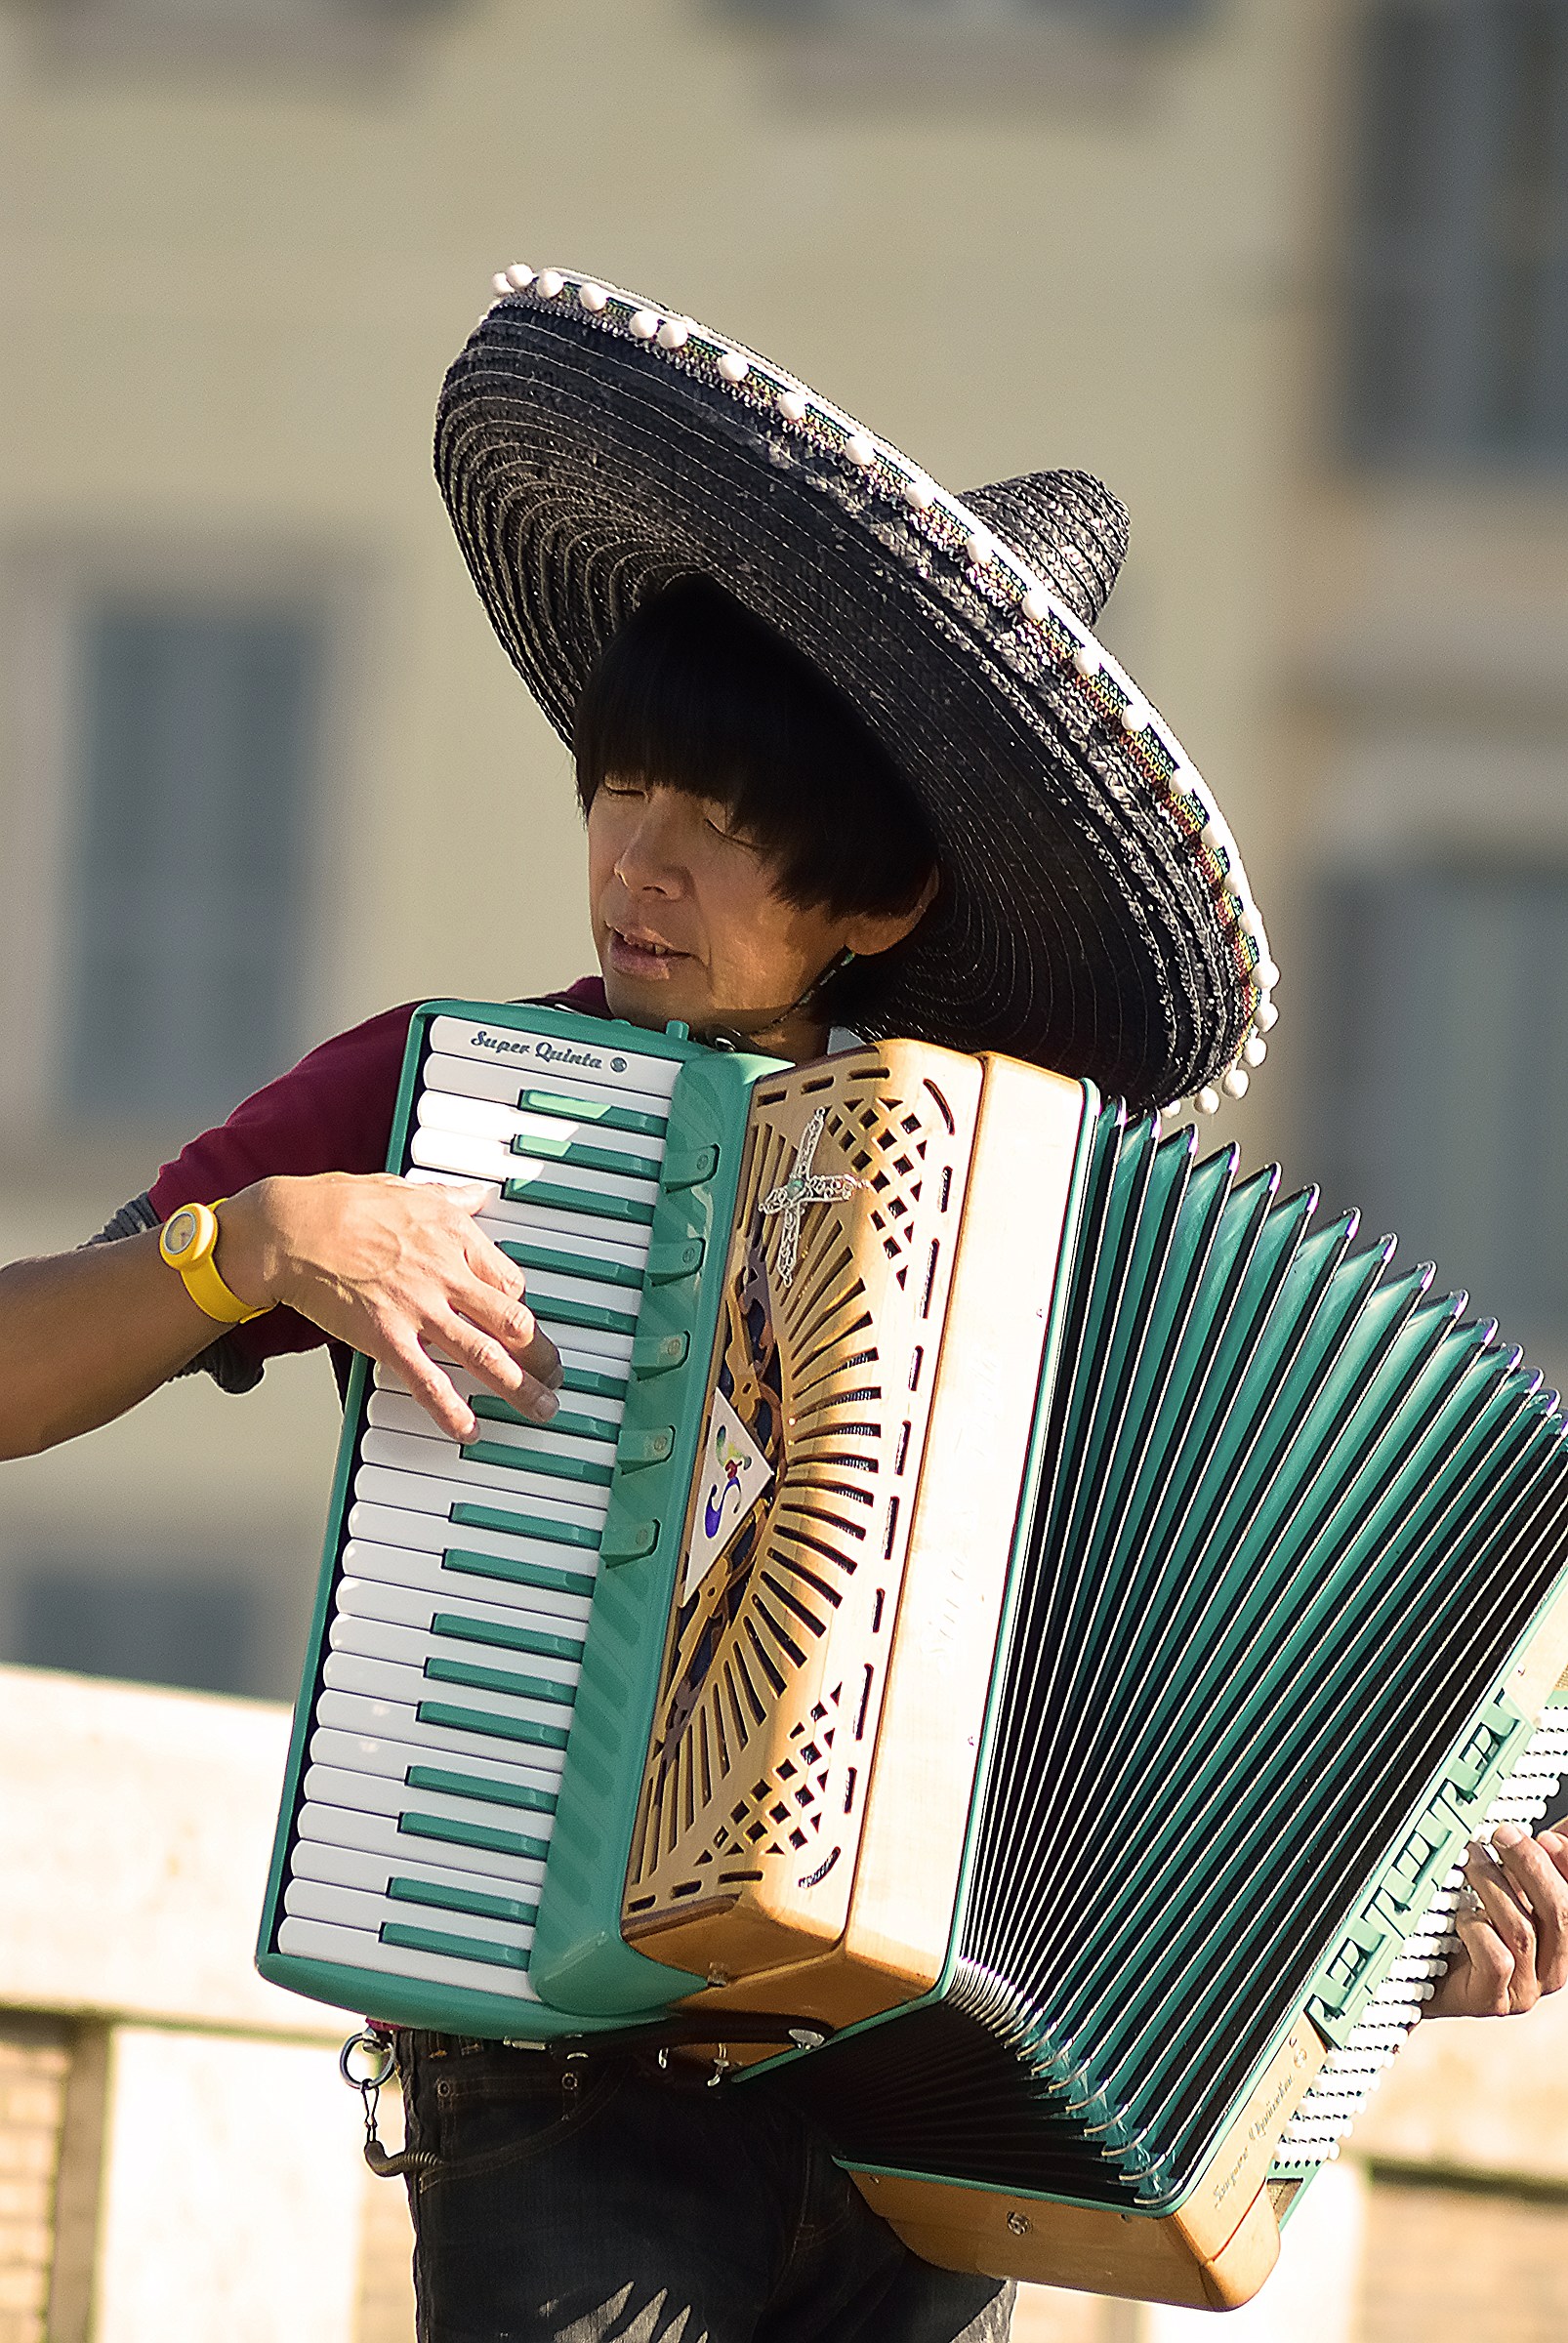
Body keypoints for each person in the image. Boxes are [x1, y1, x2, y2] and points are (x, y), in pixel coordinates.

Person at [2, 266, 1565, 2342]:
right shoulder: (439, 1102)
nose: (637, 866)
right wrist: (244, 1247)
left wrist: (1398, 1925)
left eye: (723, 828)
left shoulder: (1050, 1235)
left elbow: (1190, 1709)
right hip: (568, 2107)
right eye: (617, 790)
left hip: (923, 2143)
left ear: (879, 897)